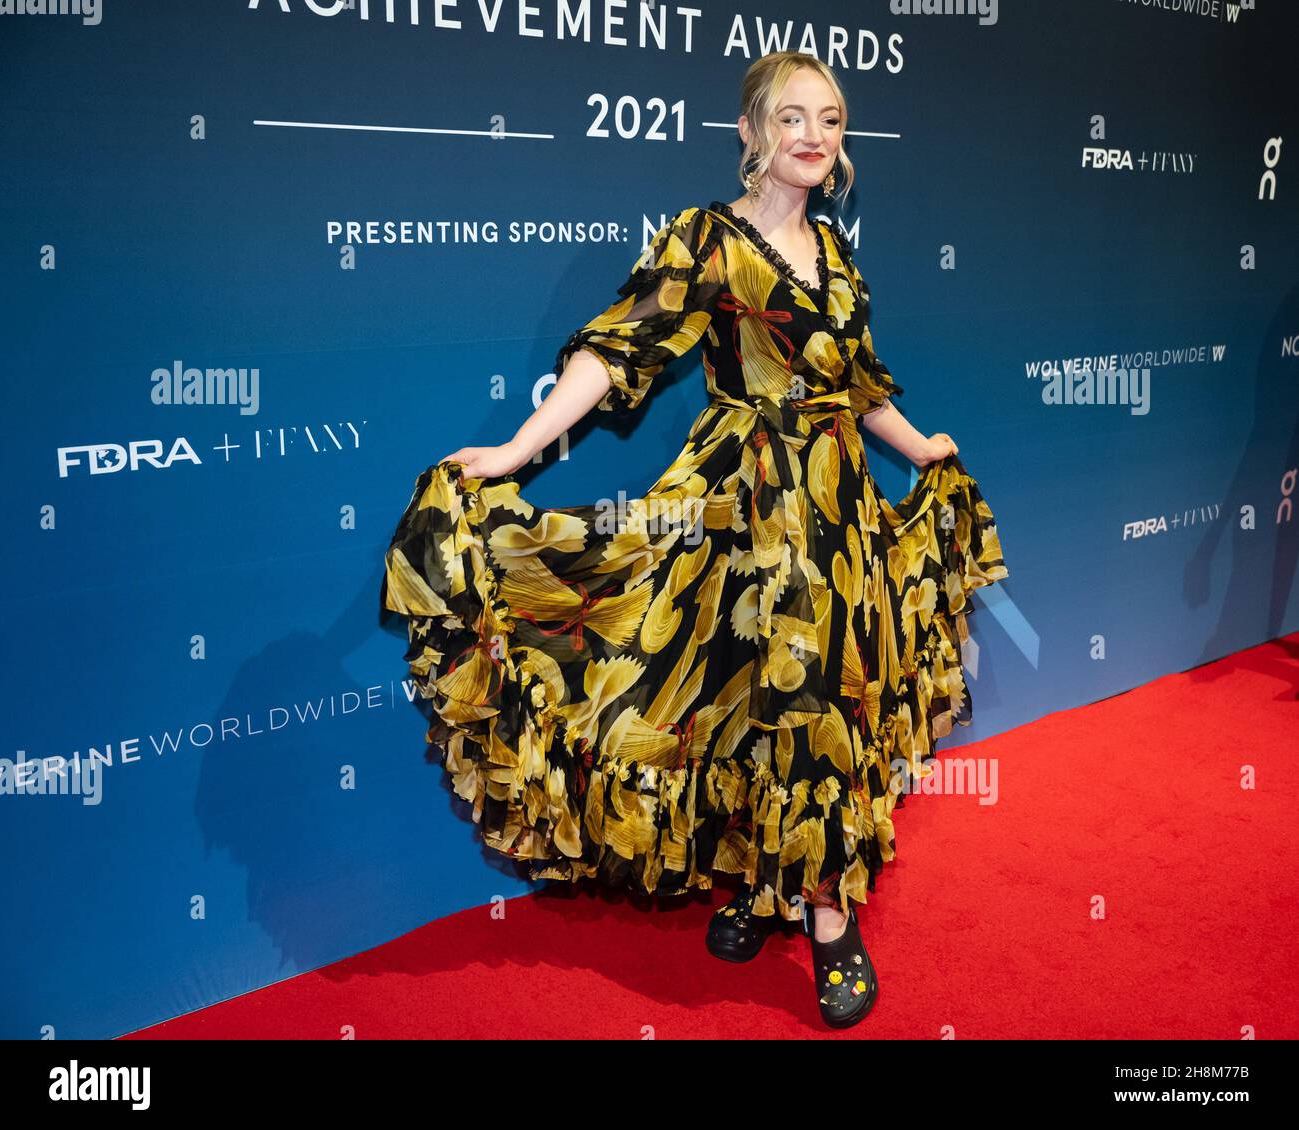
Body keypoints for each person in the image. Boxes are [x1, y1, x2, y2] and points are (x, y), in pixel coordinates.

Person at [380, 50, 1009, 1030]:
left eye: (831, 119)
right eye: (791, 116)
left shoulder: (835, 254)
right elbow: (616, 345)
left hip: (835, 514)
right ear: (752, 132)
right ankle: (764, 884)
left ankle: (826, 919)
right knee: (729, 699)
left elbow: (855, 381)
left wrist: (919, 445)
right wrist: (514, 448)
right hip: (739, 500)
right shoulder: (707, 239)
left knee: (814, 708)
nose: (812, 134)